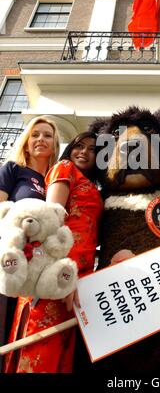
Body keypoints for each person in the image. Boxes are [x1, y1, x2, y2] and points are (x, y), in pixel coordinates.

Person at [3, 131, 103, 373]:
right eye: (79, 146)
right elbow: (51, 219)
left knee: (60, 352)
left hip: (81, 274)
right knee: (38, 348)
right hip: (54, 271)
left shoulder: (95, 186)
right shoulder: (65, 167)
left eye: (92, 150)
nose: (83, 152)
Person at [0, 116, 60, 372]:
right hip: (8, 258)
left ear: (55, 143)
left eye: (47, 135)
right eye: (35, 134)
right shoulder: (13, 169)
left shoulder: (55, 180)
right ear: (26, 142)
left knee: (16, 332)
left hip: (36, 269)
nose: (40, 140)